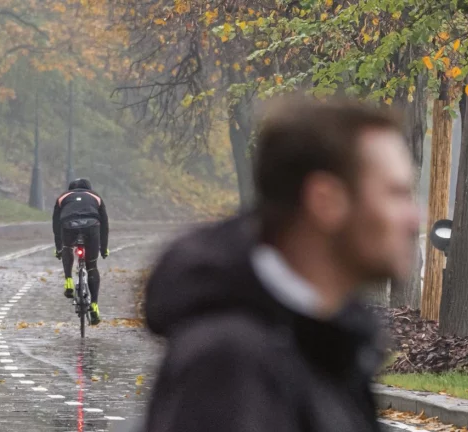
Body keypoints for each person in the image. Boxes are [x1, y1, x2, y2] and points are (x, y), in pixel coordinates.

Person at [144, 96, 420, 432]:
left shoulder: (328, 342)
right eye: (396, 194)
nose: (415, 219)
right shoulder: (230, 367)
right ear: (325, 201)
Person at [53, 178, 109, 325]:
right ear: (89, 188)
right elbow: (104, 225)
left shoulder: (62, 197)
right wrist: (103, 248)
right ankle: (95, 305)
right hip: (92, 227)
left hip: (68, 226)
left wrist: (59, 247)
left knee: (67, 248)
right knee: (92, 266)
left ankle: (68, 281)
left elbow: (56, 225)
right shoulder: (96, 197)